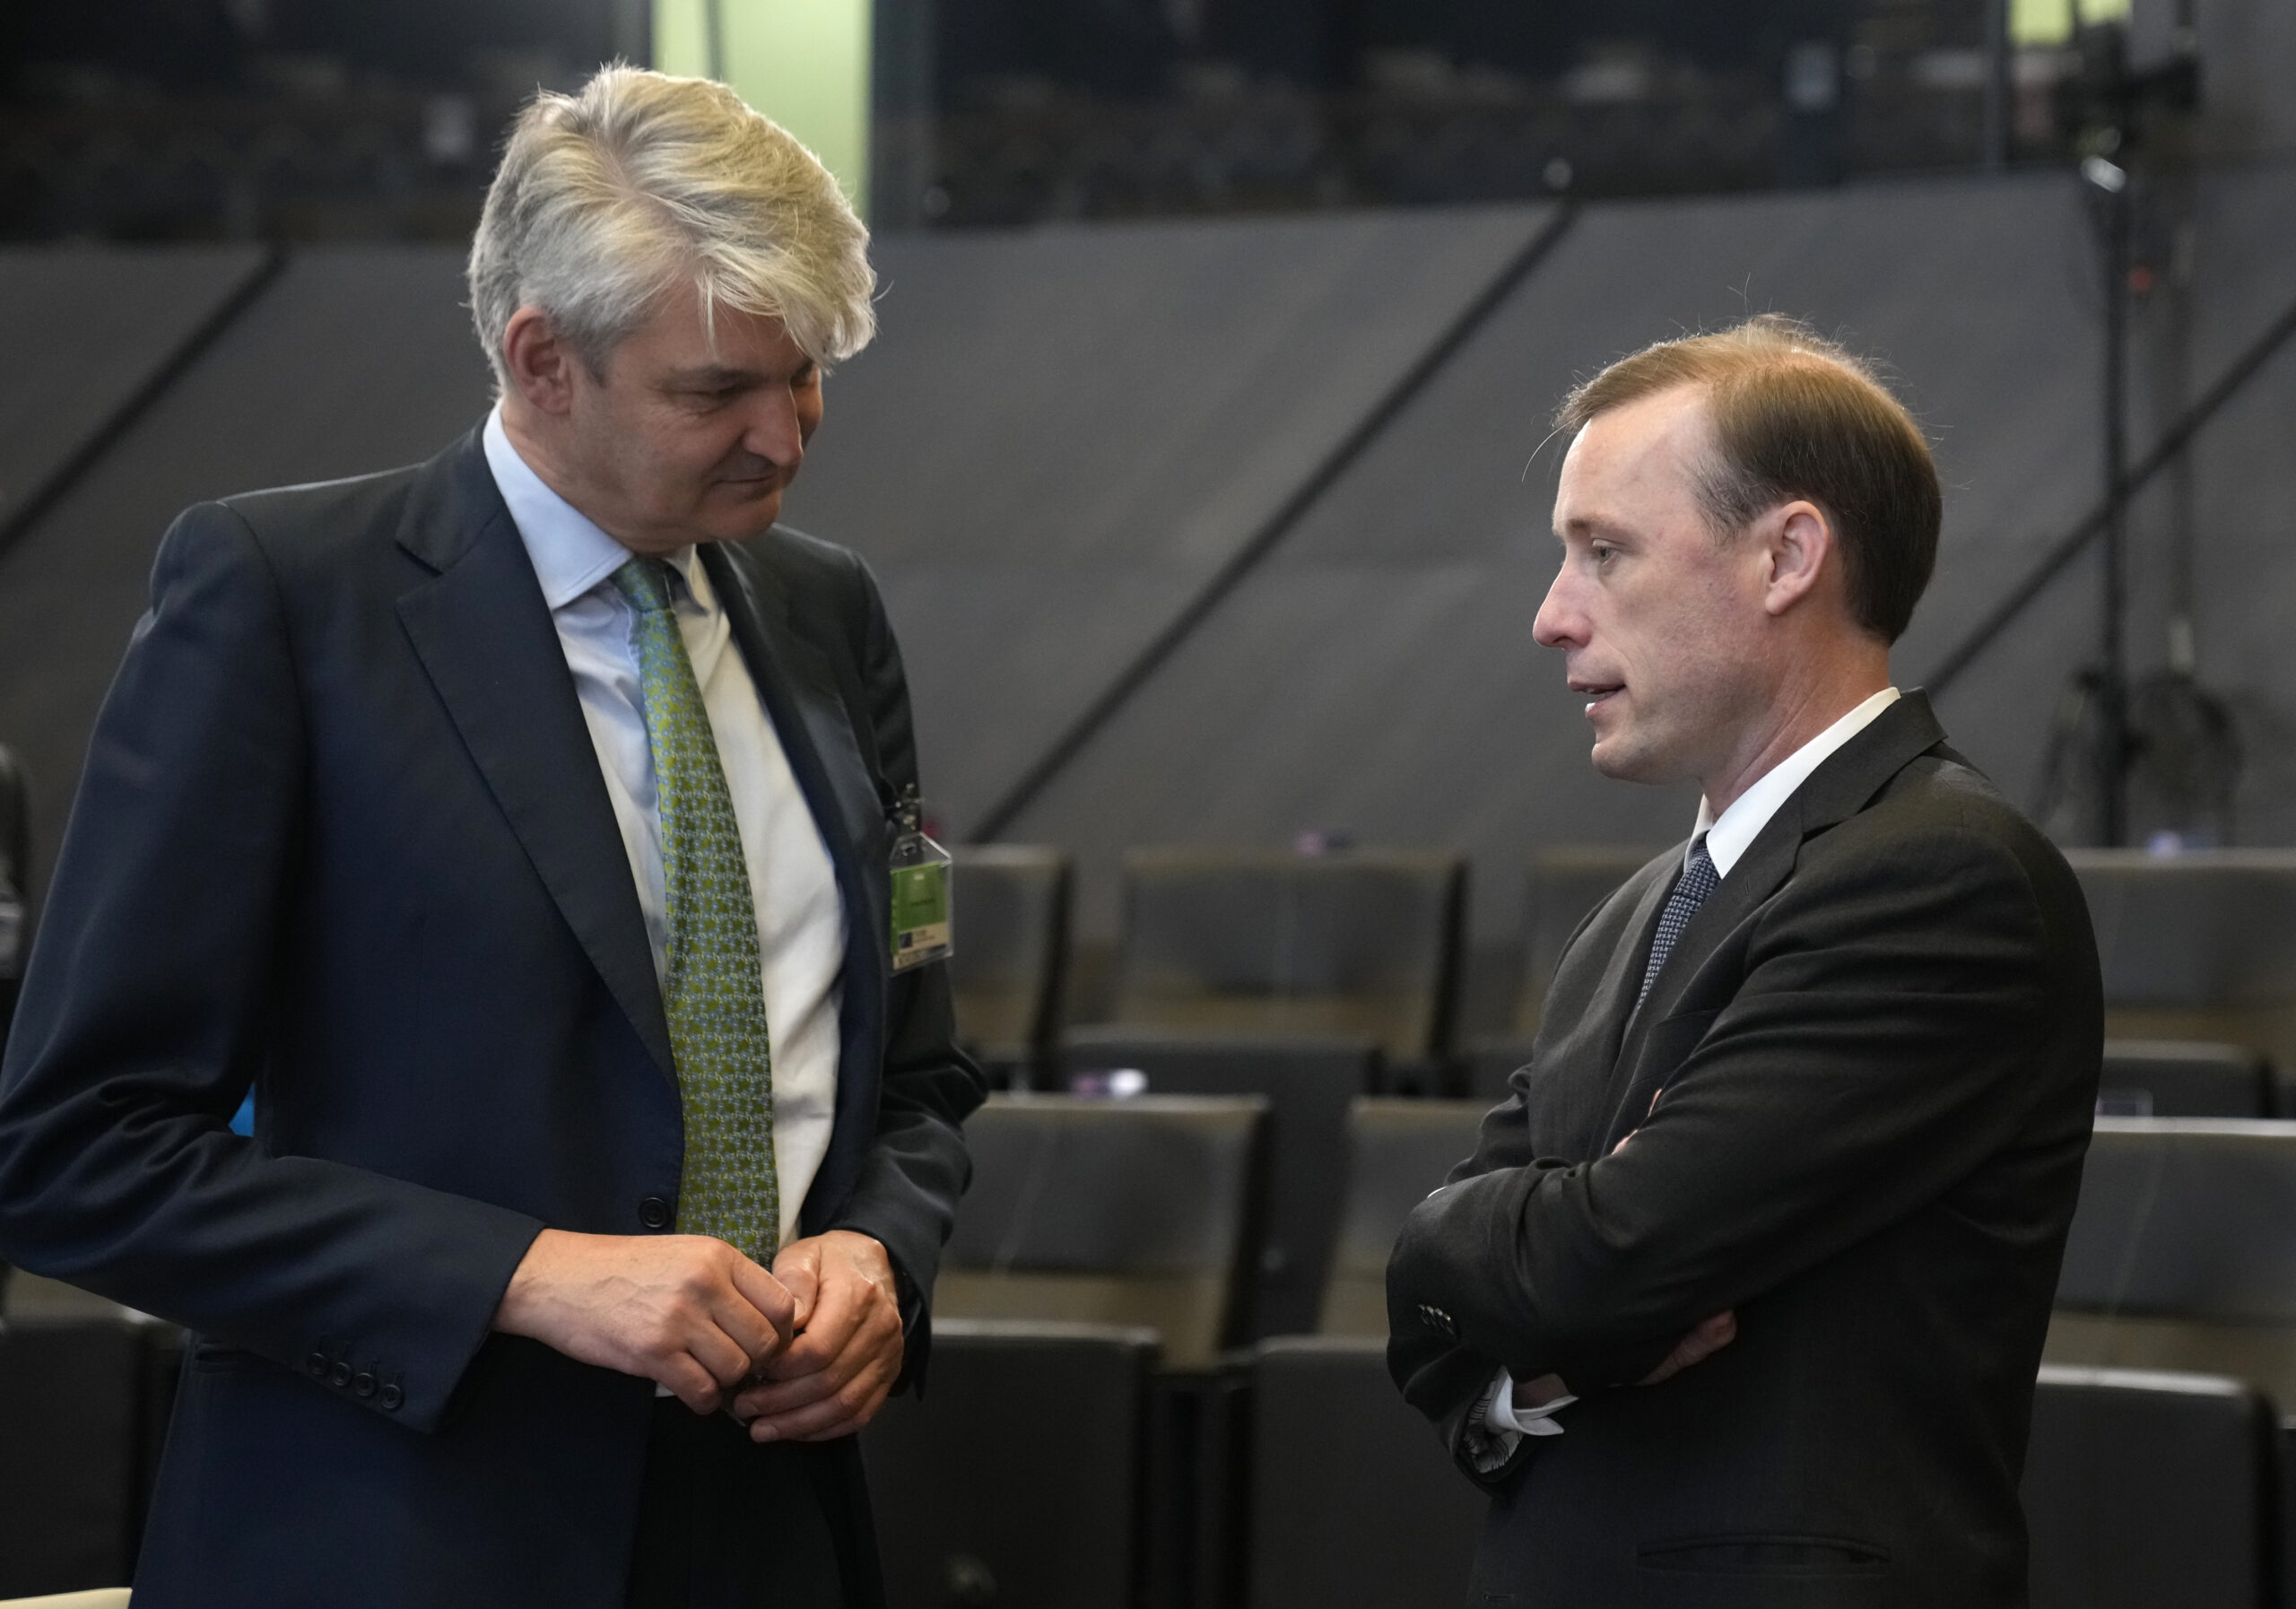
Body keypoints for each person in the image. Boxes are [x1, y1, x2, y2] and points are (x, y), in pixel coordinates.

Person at [0, 67, 984, 1609]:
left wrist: (878, 1254)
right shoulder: (284, 600)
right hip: (395, 1529)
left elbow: (920, 1074)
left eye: (805, 378)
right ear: (542, 359)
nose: (782, 437)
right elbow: (77, 1150)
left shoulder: (826, 610)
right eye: (716, 391)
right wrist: (527, 1275)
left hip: (768, 1524)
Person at [1387, 316, 2101, 1606]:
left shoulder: (1941, 879)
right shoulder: (1637, 913)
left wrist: (1466, 1242)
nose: (1552, 617)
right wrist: (1534, 1323)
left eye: (1605, 552)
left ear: (1787, 557)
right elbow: (1454, 1322)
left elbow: (1600, 1262)